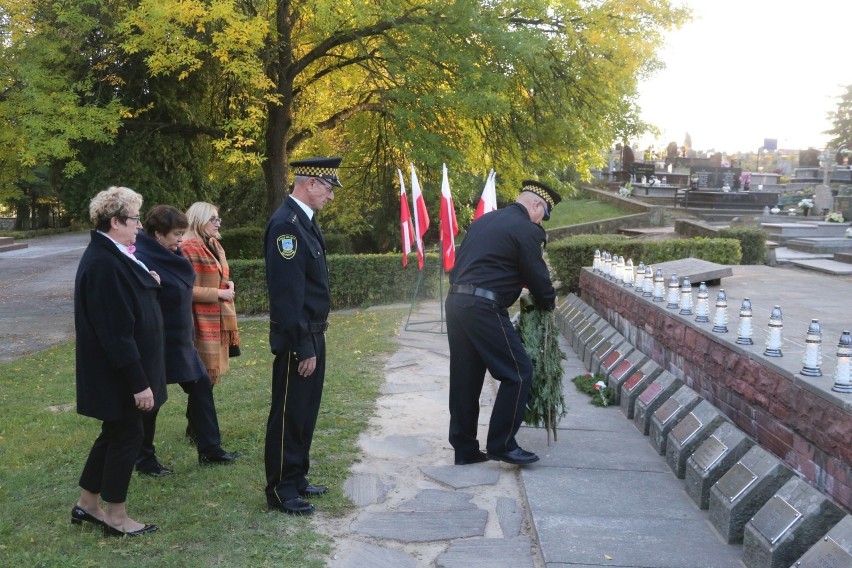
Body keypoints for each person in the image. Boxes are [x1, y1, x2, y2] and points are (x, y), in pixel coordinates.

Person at [446, 180, 562, 466]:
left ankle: (465, 449)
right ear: (536, 205)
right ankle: (502, 444)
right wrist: (548, 301)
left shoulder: (486, 220)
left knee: (466, 378)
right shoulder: (526, 230)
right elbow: (537, 275)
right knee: (518, 372)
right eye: (543, 213)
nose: (540, 220)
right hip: (484, 307)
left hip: (457, 301)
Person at [72, 186, 165, 537]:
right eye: (135, 219)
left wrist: (147, 282)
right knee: (128, 434)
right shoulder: (103, 262)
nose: (140, 226)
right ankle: (115, 515)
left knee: (114, 433)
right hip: (118, 373)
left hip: (118, 370)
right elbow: (116, 332)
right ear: (115, 222)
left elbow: (127, 296)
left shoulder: (112, 253)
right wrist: (139, 383)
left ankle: (87, 504)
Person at [134, 205, 241, 473]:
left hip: (181, 338)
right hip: (156, 340)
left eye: (183, 233)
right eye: (176, 234)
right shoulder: (141, 256)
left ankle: (210, 449)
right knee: (153, 400)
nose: (182, 240)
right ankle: (144, 458)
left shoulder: (174, 252)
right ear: (158, 234)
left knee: (201, 385)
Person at [263, 157, 341, 515]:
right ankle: (281, 487)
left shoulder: (304, 223)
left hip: (312, 333)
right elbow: (288, 296)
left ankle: (297, 476)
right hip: (300, 337)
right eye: (328, 188)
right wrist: (302, 345)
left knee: (305, 411)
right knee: (289, 412)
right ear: (310, 184)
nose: (331, 197)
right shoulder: (286, 227)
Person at [181, 202, 240, 388]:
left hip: (217, 320)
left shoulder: (212, 243)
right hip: (199, 323)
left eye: (218, 219)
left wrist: (227, 283)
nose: (218, 224)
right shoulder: (187, 247)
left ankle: (199, 416)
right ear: (198, 219)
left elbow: (220, 275)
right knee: (201, 384)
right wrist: (220, 293)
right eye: (212, 219)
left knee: (205, 387)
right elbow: (184, 289)